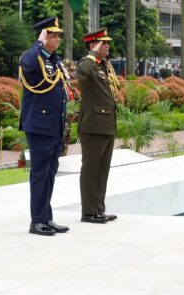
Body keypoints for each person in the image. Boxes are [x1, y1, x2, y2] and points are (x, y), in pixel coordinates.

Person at [19, 17, 71, 236]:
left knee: (50, 173)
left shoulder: (54, 61)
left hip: (54, 125)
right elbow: (27, 65)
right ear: (43, 36)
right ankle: (37, 220)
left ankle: (46, 217)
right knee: (40, 173)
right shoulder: (32, 57)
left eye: (58, 35)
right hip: (39, 125)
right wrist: (38, 44)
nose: (57, 38)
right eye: (53, 35)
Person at [76, 28, 120, 224]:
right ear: (93, 45)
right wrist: (93, 53)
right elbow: (83, 71)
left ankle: (98, 209)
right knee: (91, 169)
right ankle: (88, 211)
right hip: (93, 125)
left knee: (103, 170)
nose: (108, 46)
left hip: (107, 124)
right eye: (104, 43)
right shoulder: (87, 64)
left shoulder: (103, 66)